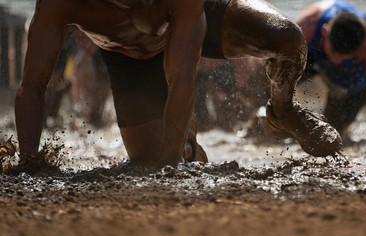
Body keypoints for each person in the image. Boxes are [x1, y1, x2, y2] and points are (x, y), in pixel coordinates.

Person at [15, 0, 341, 169]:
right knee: (153, 162)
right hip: (131, 59)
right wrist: (28, 160)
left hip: (197, 18)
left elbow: (182, 77)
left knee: (287, 39)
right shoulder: (60, 4)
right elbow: (33, 85)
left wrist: (169, 168)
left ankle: (283, 112)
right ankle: (188, 145)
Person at [296, 0, 366, 140]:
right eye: (334, 52)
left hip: (350, 77)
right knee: (274, 79)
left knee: (331, 134)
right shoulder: (308, 26)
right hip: (312, 55)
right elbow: (269, 62)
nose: (336, 61)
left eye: (344, 57)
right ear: (325, 31)